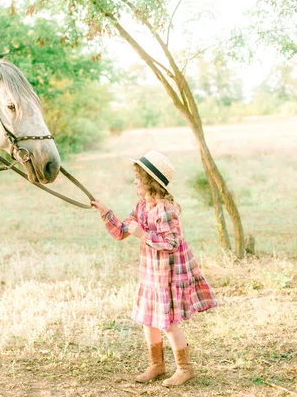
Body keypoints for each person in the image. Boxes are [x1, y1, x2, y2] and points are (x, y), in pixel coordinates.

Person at [91, 150, 217, 387]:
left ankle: (185, 368)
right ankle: (157, 365)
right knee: (148, 319)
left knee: (167, 322)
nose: (135, 182)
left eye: (138, 178)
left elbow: (171, 243)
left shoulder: (165, 209)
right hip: (150, 273)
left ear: (150, 181)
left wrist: (143, 234)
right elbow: (122, 231)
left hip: (168, 274)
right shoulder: (141, 205)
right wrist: (105, 212)